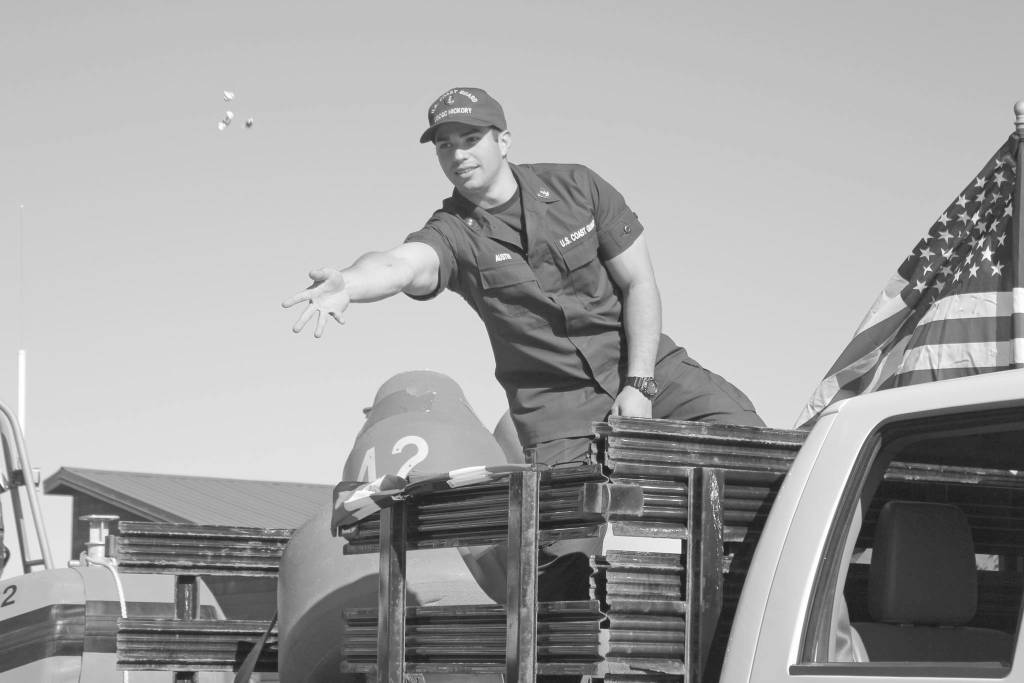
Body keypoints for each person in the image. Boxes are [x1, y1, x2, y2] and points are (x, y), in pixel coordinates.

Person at [284, 86, 764, 466]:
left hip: (649, 369)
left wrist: (638, 385)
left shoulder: (579, 187)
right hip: (558, 413)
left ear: (503, 141)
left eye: (471, 140)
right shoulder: (452, 232)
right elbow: (403, 263)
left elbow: (639, 283)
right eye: (445, 146)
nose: (458, 155)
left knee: (757, 450)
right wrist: (349, 282)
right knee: (568, 544)